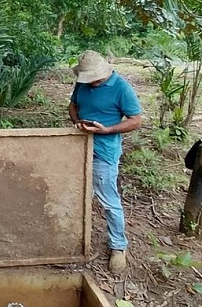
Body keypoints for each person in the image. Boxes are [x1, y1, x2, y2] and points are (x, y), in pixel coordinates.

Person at [67, 50, 142, 273]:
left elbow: (136, 121)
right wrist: (77, 121)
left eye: (94, 78)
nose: (91, 82)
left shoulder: (121, 88)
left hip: (104, 151)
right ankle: (75, 236)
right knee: (78, 194)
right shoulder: (82, 85)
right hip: (79, 146)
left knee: (108, 199)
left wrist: (107, 129)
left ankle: (118, 246)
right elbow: (72, 106)